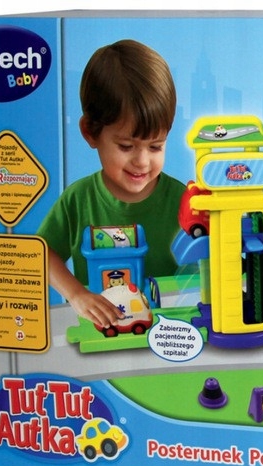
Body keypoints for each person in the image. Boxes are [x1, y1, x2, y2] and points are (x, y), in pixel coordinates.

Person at [37, 39, 185, 329]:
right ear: (90, 132)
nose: (142, 161)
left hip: (170, 334)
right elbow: (41, 252)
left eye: (156, 146)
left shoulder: (183, 200)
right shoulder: (78, 200)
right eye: (127, 146)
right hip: (101, 334)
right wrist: (76, 294)